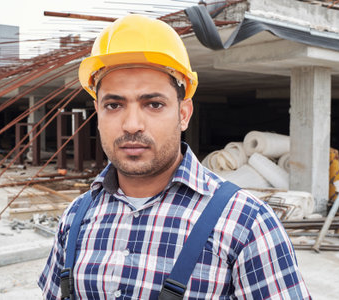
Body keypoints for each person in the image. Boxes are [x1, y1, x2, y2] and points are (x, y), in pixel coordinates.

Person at [39, 14, 311, 299]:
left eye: (153, 104)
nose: (132, 125)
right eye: (114, 105)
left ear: (183, 114)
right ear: (98, 113)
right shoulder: (76, 217)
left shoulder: (248, 224)